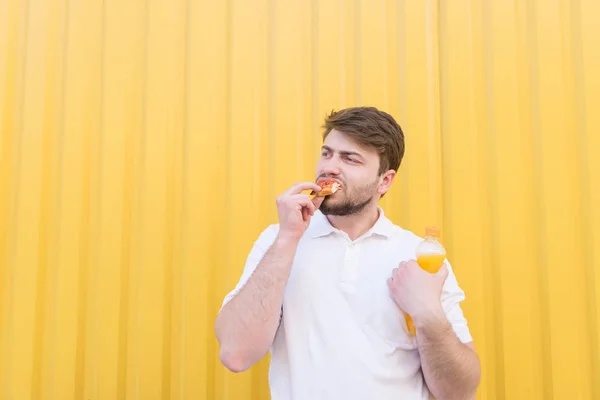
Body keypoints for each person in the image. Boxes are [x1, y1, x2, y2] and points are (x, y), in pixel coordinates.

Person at [214, 107, 481, 400]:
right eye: (327, 153)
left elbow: (460, 393)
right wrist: (287, 240)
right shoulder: (278, 241)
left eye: (350, 159)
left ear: (385, 181)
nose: (330, 167)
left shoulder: (419, 256)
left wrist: (428, 314)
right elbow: (235, 354)